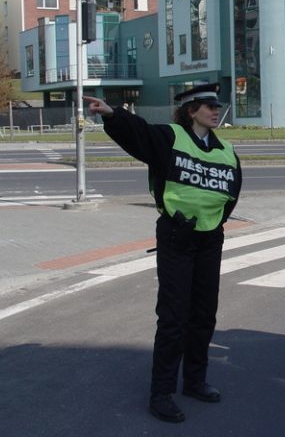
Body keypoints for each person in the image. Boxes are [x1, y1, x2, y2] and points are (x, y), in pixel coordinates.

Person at [84, 83, 241, 423]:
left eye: (217, 106)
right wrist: (112, 114)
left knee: (204, 314)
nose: (216, 111)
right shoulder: (170, 138)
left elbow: (232, 192)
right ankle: (162, 392)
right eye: (208, 106)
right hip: (177, 238)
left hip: (210, 238)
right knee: (173, 317)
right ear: (191, 111)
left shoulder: (226, 149)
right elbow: (138, 134)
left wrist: (211, 221)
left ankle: (195, 380)